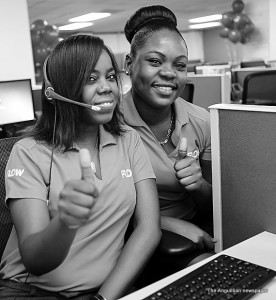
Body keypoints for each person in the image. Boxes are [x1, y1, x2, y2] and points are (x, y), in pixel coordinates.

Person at [0, 34, 161, 300]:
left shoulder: (128, 140)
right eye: (90, 79)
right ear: (57, 91)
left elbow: (148, 228)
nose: (107, 87)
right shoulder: (29, 153)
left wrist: (103, 298)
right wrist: (65, 221)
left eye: (110, 76)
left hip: (102, 292)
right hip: (32, 291)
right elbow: (34, 260)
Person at [122, 5, 216, 283]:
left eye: (179, 65)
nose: (169, 73)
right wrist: (164, 223)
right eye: (155, 61)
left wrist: (198, 185)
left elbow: (216, 206)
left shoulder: (202, 121)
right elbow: (99, 210)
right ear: (129, 64)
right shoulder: (107, 124)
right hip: (130, 235)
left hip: (196, 228)